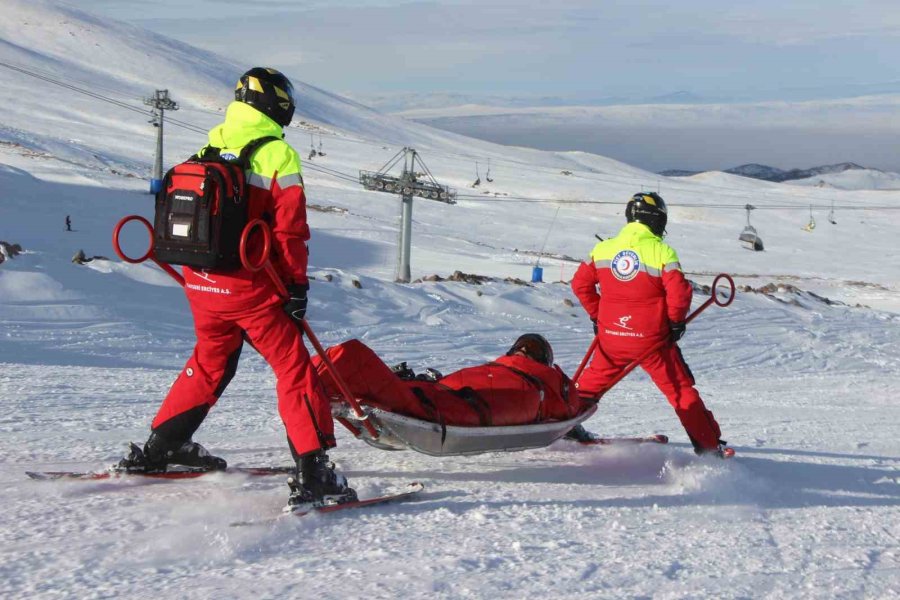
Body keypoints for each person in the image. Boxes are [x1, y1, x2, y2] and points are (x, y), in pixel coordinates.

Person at [119, 67, 356, 508]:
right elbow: (289, 232)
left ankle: (162, 446)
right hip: (250, 288)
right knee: (293, 369)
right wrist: (297, 286)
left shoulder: (211, 144)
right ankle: (313, 471)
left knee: (211, 362)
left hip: (201, 282)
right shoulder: (276, 155)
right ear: (276, 104)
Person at [570, 192, 728, 456]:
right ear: (655, 220)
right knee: (680, 391)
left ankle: (563, 425)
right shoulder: (661, 251)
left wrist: (598, 315)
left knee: (587, 387)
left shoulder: (603, 249)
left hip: (612, 337)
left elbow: (580, 285)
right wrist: (675, 322)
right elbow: (679, 293)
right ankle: (709, 447)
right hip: (651, 340)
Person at [312, 334, 593, 430]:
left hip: (440, 406)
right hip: (433, 394)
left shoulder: (544, 382)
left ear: (543, 360)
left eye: (531, 349)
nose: (523, 351)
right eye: (521, 346)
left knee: (350, 356)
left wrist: (572, 428)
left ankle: (304, 400)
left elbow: (569, 408)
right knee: (339, 360)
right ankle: (304, 398)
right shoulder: (497, 366)